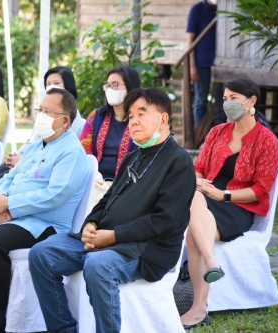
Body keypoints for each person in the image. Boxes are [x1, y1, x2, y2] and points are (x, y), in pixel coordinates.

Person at [28, 88, 196, 333]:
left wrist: (113, 236)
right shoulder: (134, 157)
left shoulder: (178, 162)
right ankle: (62, 329)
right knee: (41, 254)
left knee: (98, 265)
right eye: (130, 116)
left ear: (164, 119)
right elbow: (106, 201)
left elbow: (165, 221)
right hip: (106, 238)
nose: (134, 121)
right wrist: (91, 225)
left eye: (141, 113)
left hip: (146, 249)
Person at [0, 88, 90, 333]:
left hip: (44, 223)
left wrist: (10, 205)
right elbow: (9, 177)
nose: (41, 116)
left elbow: (56, 195)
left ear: (65, 121)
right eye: (40, 111)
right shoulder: (35, 146)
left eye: (48, 112)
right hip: (15, 214)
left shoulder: (72, 152)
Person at [179, 78, 278, 329]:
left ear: (251, 101)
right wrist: (201, 183)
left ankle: (198, 308)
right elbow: (198, 168)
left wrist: (222, 195)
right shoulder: (216, 133)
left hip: (238, 207)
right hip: (204, 199)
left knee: (194, 230)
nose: (227, 104)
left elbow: (260, 190)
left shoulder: (267, 141)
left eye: (234, 98)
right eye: (224, 99)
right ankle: (206, 286)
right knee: (195, 199)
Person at [0, 66, 85, 181]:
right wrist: (17, 155)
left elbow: (52, 152)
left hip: (38, 171)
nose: (51, 87)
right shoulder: (44, 113)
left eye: (56, 83)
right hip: (27, 161)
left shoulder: (71, 119)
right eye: (48, 83)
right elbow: (32, 141)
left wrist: (22, 161)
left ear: (68, 86)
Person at [79, 66, 140, 181]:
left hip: (127, 184)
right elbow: (83, 151)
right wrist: (96, 180)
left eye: (115, 85)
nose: (110, 89)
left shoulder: (140, 121)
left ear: (130, 87)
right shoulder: (96, 116)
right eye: (108, 86)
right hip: (94, 182)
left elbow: (142, 159)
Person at [186, 0, 217, 127]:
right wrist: (192, 66)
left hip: (221, 63)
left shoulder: (225, 9)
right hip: (201, 62)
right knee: (201, 101)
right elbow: (190, 39)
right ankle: (200, 134)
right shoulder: (197, 9)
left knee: (224, 102)